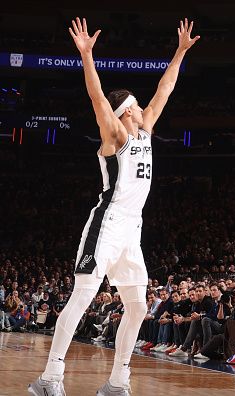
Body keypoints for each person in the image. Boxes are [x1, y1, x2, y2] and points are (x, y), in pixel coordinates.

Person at [28, 17, 199, 396]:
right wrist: (87, 57)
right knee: (84, 295)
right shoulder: (117, 133)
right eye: (137, 107)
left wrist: (181, 51)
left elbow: (165, 89)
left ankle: (118, 382)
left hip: (131, 230)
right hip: (106, 224)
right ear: (126, 112)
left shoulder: (145, 129)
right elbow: (97, 98)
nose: (143, 109)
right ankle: (49, 378)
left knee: (137, 306)